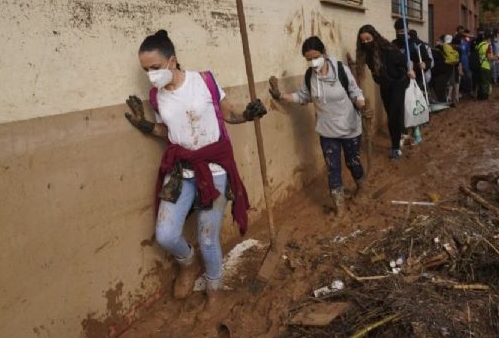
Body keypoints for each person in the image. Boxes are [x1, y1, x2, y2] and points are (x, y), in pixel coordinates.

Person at [124, 30, 267, 317]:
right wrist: (145, 125)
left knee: (207, 237)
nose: (151, 75)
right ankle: (188, 264)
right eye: (145, 70)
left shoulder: (204, 81)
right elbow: (168, 131)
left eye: (154, 68)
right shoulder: (157, 97)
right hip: (180, 170)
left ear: (172, 61)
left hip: (214, 169)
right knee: (165, 234)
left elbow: (228, 114)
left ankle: (215, 291)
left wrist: (248, 114)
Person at [268, 36, 368, 216]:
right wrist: (281, 96)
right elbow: (302, 97)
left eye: (315, 57)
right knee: (333, 168)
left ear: (323, 53)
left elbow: (355, 91)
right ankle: (340, 208)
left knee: (353, 162)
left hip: (350, 127)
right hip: (327, 131)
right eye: (308, 59)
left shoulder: (340, 70)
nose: (313, 62)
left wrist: (363, 105)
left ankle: (361, 187)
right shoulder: (310, 77)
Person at [354, 24, 411, 159]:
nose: (366, 42)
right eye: (363, 41)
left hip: (398, 83)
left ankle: (395, 147)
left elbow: (403, 63)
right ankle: (399, 135)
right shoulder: (366, 54)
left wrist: (408, 72)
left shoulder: (389, 49)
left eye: (368, 39)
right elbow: (373, 70)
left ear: (375, 36)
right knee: (391, 114)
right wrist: (376, 77)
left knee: (392, 116)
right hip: (385, 86)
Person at [475, 32, 496, 100]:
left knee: (480, 81)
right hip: (486, 65)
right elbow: (489, 57)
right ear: (489, 38)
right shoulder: (488, 46)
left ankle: (479, 95)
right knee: (486, 82)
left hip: (479, 65)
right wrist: (497, 57)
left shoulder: (479, 45)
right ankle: (484, 96)